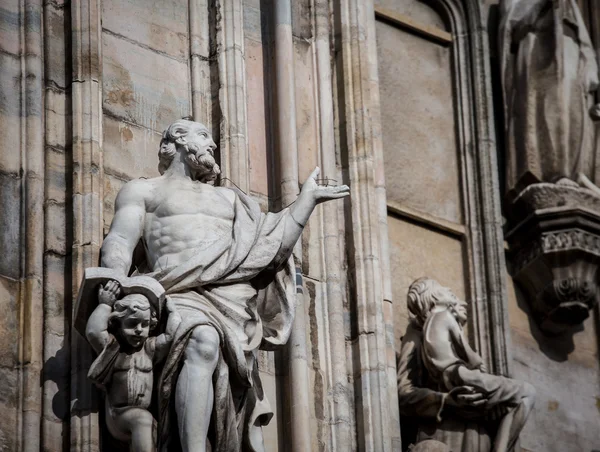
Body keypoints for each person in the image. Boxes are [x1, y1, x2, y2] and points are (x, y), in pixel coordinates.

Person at [98, 118, 349, 452]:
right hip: (175, 289)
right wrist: (114, 283)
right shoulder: (145, 191)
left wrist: (306, 201)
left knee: (213, 350)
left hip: (231, 298)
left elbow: (270, 245)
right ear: (177, 141)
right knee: (203, 338)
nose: (212, 145)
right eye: (204, 136)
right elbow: (119, 241)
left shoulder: (231, 200)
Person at [410, 278, 535, 452]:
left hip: (454, 384)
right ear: (436, 297)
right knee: (525, 393)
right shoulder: (433, 322)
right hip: (455, 381)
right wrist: (476, 364)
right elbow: (404, 393)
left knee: (511, 400)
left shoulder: (432, 325)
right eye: (450, 294)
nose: (459, 301)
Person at [499, 0, 600, 195]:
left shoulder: (571, 4)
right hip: (536, 54)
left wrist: (589, 66)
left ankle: (577, 173)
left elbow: (584, 40)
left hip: (571, 56)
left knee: (573, 113)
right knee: (547, 112)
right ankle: (552, 173)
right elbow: (512, 25)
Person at [85, 281, 182, 452]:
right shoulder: (114, 348)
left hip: (143, 415)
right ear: (118, 324)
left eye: (144, 325)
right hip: (118, 414)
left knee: (150, 423)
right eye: (132, 324)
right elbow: (94, 332)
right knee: (142, 419)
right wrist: (105, 304)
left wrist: (173, 312)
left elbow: (169, 337)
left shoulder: (149, 349)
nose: (139, 330)